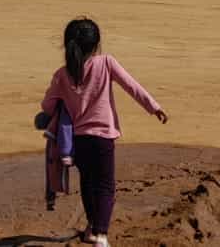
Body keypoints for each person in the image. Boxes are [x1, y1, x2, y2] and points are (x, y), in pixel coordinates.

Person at [39, 18, 167, 246]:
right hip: (103, 138)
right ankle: (101, 234)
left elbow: (48, 105)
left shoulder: (61, 74)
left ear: (68, 44)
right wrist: (153, 107)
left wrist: (52, 111)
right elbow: (132, 86)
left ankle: (91, 229)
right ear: (96, 44)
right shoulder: (106, 63)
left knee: (88, 183)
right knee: (106, 185)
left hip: (77, 141)